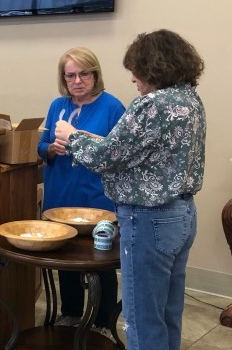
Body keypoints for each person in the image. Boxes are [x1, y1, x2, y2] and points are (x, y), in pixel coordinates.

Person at [55, 30, 206, 350]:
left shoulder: (151, 105)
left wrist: (72, 137)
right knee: (167, 313)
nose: (133, 78)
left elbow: (107, 157)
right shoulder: (189, 100)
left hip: (150, 219)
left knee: (142, 319)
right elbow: (138, 152)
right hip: (183, 214)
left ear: (154, 67)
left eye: (136, 69)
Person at [37, 47, 125, 334]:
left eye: (84, 74)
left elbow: (120, 154)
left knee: (100, 262)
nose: (77, 81)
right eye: (70, 75)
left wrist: (85, 141)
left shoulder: (113, 107)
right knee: (66, 259)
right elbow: (41, 146)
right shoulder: (57, 105)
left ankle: (103, 321)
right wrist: (51, 148)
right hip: (60, 196)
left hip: (97, 200)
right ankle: (71, 314)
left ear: (95, 74)